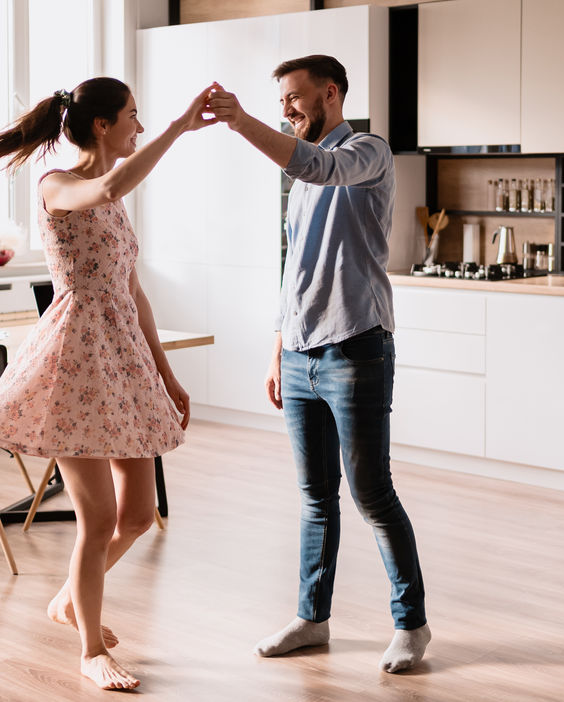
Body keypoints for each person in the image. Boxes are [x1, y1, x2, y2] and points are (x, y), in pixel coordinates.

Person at [0, 77, 216, 690]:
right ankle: (88, 650)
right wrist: (182, 126)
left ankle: (71, 599)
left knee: (138, 513)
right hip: (73, 366)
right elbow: (107, 185)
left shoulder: (112, 198)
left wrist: (166, 373)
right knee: (98, 520)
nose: (141, 125)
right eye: (133, 115)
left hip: (122, 362)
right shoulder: (59, 186)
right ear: (102, 125)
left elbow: (132, 292)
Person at [208, 55, 431, 673]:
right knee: (314, 498)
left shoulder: (367, 152)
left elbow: (321, 166)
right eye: (279, 100)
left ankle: (411, 624)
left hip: (356, 346)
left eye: (294, 97)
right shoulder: (298, 171)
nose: (287, 108)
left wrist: (243, 122)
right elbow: (296, 267)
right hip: (302, 353)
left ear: (331, 93)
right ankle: (312, 618)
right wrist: (279, 348)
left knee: (371, 494)